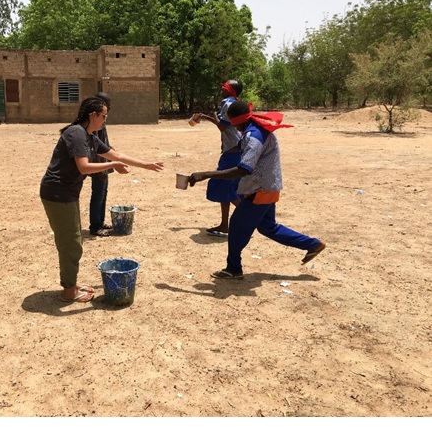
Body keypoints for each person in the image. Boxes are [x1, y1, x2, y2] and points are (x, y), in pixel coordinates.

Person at [40, 96, 164, 302]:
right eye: (104, 116)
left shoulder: (89, 135)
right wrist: (112, 165)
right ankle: (69, 292)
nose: (105, 120)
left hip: (67, 193)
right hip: (57, 194)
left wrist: (146, 164)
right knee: (70, 243)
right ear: (93, 115)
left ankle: (71, 282)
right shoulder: (76, 134)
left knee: (74, 239)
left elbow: (116, 155)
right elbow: (84, 167)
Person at [189, 100, 326, 279]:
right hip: (269, 186)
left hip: (260, 189)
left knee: (236, 226)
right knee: (268, 227)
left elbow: (244, 169)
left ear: (238, 121)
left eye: (233, 123)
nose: (233, 127)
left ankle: (233, 268)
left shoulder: (254, 135)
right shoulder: (254, 129)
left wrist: (206, 174)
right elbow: (242, 150)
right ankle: (312, 245)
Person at [197, 79, 244, 237]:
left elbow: (222, 126)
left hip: (232, 152)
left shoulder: (227, 104)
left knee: (227, 188)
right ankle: (225, 225)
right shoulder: (233, 103)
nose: (221, 89)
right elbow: (224, 124)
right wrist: (207, 117)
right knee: (227, 188)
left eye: (224, 87)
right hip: (234, 150)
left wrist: (214, 115)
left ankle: (252, 216)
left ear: (230, 90)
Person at [89, 92, 114, 237]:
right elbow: (96, 145)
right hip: (98, 164)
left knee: (103, 193)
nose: (109, 107)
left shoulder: (101, 120)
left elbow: (103, 143)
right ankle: (95, 226)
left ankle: (100, 221)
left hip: (103, 164)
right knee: (98, 194)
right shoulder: (96, 121)